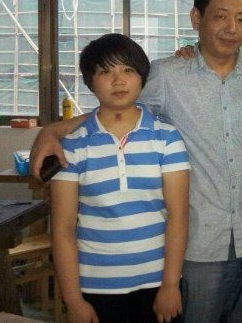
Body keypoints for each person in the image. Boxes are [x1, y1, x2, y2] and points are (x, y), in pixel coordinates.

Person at [31, 0, 242, 323]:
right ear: (196, 19)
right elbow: (116, 106)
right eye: (221, 16)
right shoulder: (167, 75)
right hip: (200, 242)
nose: (232, 27)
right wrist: (55, 129)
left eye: (241, 18)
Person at [50, 33, 190, 323]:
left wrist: (171, 284)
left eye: (128, 70)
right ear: (91, 81)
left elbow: (178, 216)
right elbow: (63, 229)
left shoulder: (166, 138)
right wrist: (73, 300)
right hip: (95, 287)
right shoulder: (73, 145)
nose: (118, 81)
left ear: (142, 78)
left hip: (157, 285)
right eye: (105, 72)